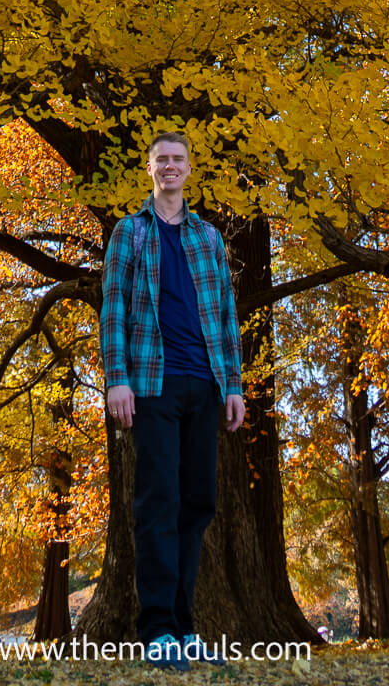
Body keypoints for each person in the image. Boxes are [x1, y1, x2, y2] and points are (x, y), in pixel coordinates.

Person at [101, 131, 245, 672]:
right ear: (149, 168)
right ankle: (156, 628)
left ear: (189, 169)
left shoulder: (208, 239)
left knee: (198, 505)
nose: (169, 167)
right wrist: (118, 379)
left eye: (177, 160)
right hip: (151, 384)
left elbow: (226, 317)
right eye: (161, 159)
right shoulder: (130, 234)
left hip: (204, 384)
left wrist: (233, 386)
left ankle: (184, 629)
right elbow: (112, 307)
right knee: (157, 502)